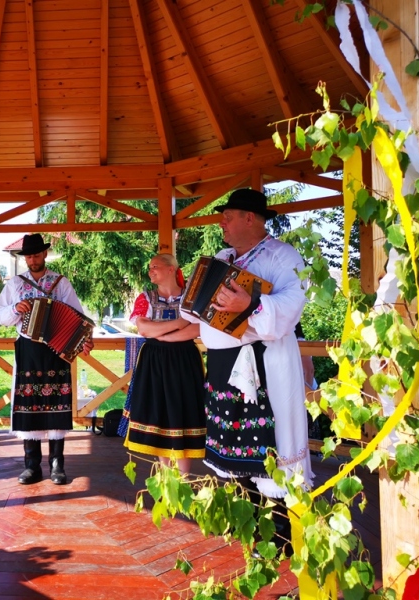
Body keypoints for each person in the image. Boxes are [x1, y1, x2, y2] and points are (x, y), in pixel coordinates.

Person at [182, 188, 312, 551]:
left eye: (229, 215)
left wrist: (251, 303)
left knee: (264, 447)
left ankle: (280, 538)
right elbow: (194, 307)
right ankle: (250, 529)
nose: (221, 221)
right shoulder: (222, 258)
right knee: (233, 447)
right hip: (223, 365)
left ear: (250, 218)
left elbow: (290, 308)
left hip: (262, 364)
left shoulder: (283, 256)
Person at [0, 233, 93, 485]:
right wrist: (16, 309)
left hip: (55, 350)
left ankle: (57, 465)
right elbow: (1, 314)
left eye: (36, 254)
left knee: (57, 402)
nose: (32, 259)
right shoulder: (15, 284)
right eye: (28, 255)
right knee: (30, 404)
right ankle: (32, 465)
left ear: (45, 254)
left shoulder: (60, 283)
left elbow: (77, 316)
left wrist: (83, 340)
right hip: (28, 349)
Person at [121, 253, 205, 475]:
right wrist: (180, 323)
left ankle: (184, 478)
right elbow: (144, 329)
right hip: (154, 362)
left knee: (184, 412)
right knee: (158, 411)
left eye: (155, 266)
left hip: (185, 359)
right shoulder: (145, 297)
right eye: (149, 267)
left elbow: (199, 328)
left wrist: (166, 335)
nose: (150, 271)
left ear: (170, 269)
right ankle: (167, 478)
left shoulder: (191, 297)